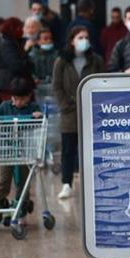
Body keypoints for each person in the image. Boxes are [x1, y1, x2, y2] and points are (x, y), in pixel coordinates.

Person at [52, 26, 105, 199]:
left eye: (86, 37)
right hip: (70, 114)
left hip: (91, 112)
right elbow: (57, 86)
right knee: (68, 150)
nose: (84, 41)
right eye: (80, 37)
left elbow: (102, 81)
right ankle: (66, 183)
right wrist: (65, 104)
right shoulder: (62, 61)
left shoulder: (95, 60)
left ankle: (94, 181)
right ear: (72, 41)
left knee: (91, 149)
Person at [0, 77, 42, 216]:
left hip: (24, 151)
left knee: (22, 182)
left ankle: (21, 207)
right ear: (11, 97)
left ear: (28, 96)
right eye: (15, 99)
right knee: (3, 181)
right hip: (6, 150)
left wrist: (38, 116)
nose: (18, 102)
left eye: (22, 99)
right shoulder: (5, 106)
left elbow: (40, 121)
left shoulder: (33, 108)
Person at [0, 17, 32, 106]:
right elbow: (15, 65)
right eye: (19, 28)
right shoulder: (7, 44)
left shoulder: (13, 42)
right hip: (8, 85)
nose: (22, 30)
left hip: (13, 84)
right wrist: (25, 51)